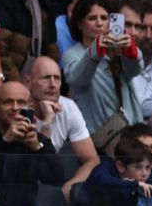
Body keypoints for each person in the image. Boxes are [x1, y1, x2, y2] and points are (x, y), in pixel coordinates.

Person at [61, 0, 143, 140]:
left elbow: (135, 70)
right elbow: (78, 80)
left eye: (104, 18)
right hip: (100, 136)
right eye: (92, 18)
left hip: (131, 127)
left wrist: (130, 52)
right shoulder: (72, 54)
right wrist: (95, 51)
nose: (99, 23)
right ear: (79, 24)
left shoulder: (117, 50)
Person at [23, 56, 100, 195]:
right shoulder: (18, 108)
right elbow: (35, 166)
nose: (53, 84)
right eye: (46, 78)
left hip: (50, 180)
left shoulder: (68, 107)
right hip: (20, 182)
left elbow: (92, 160)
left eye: (57, 78)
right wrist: (47, 124)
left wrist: (71, 186)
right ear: (28, 82)